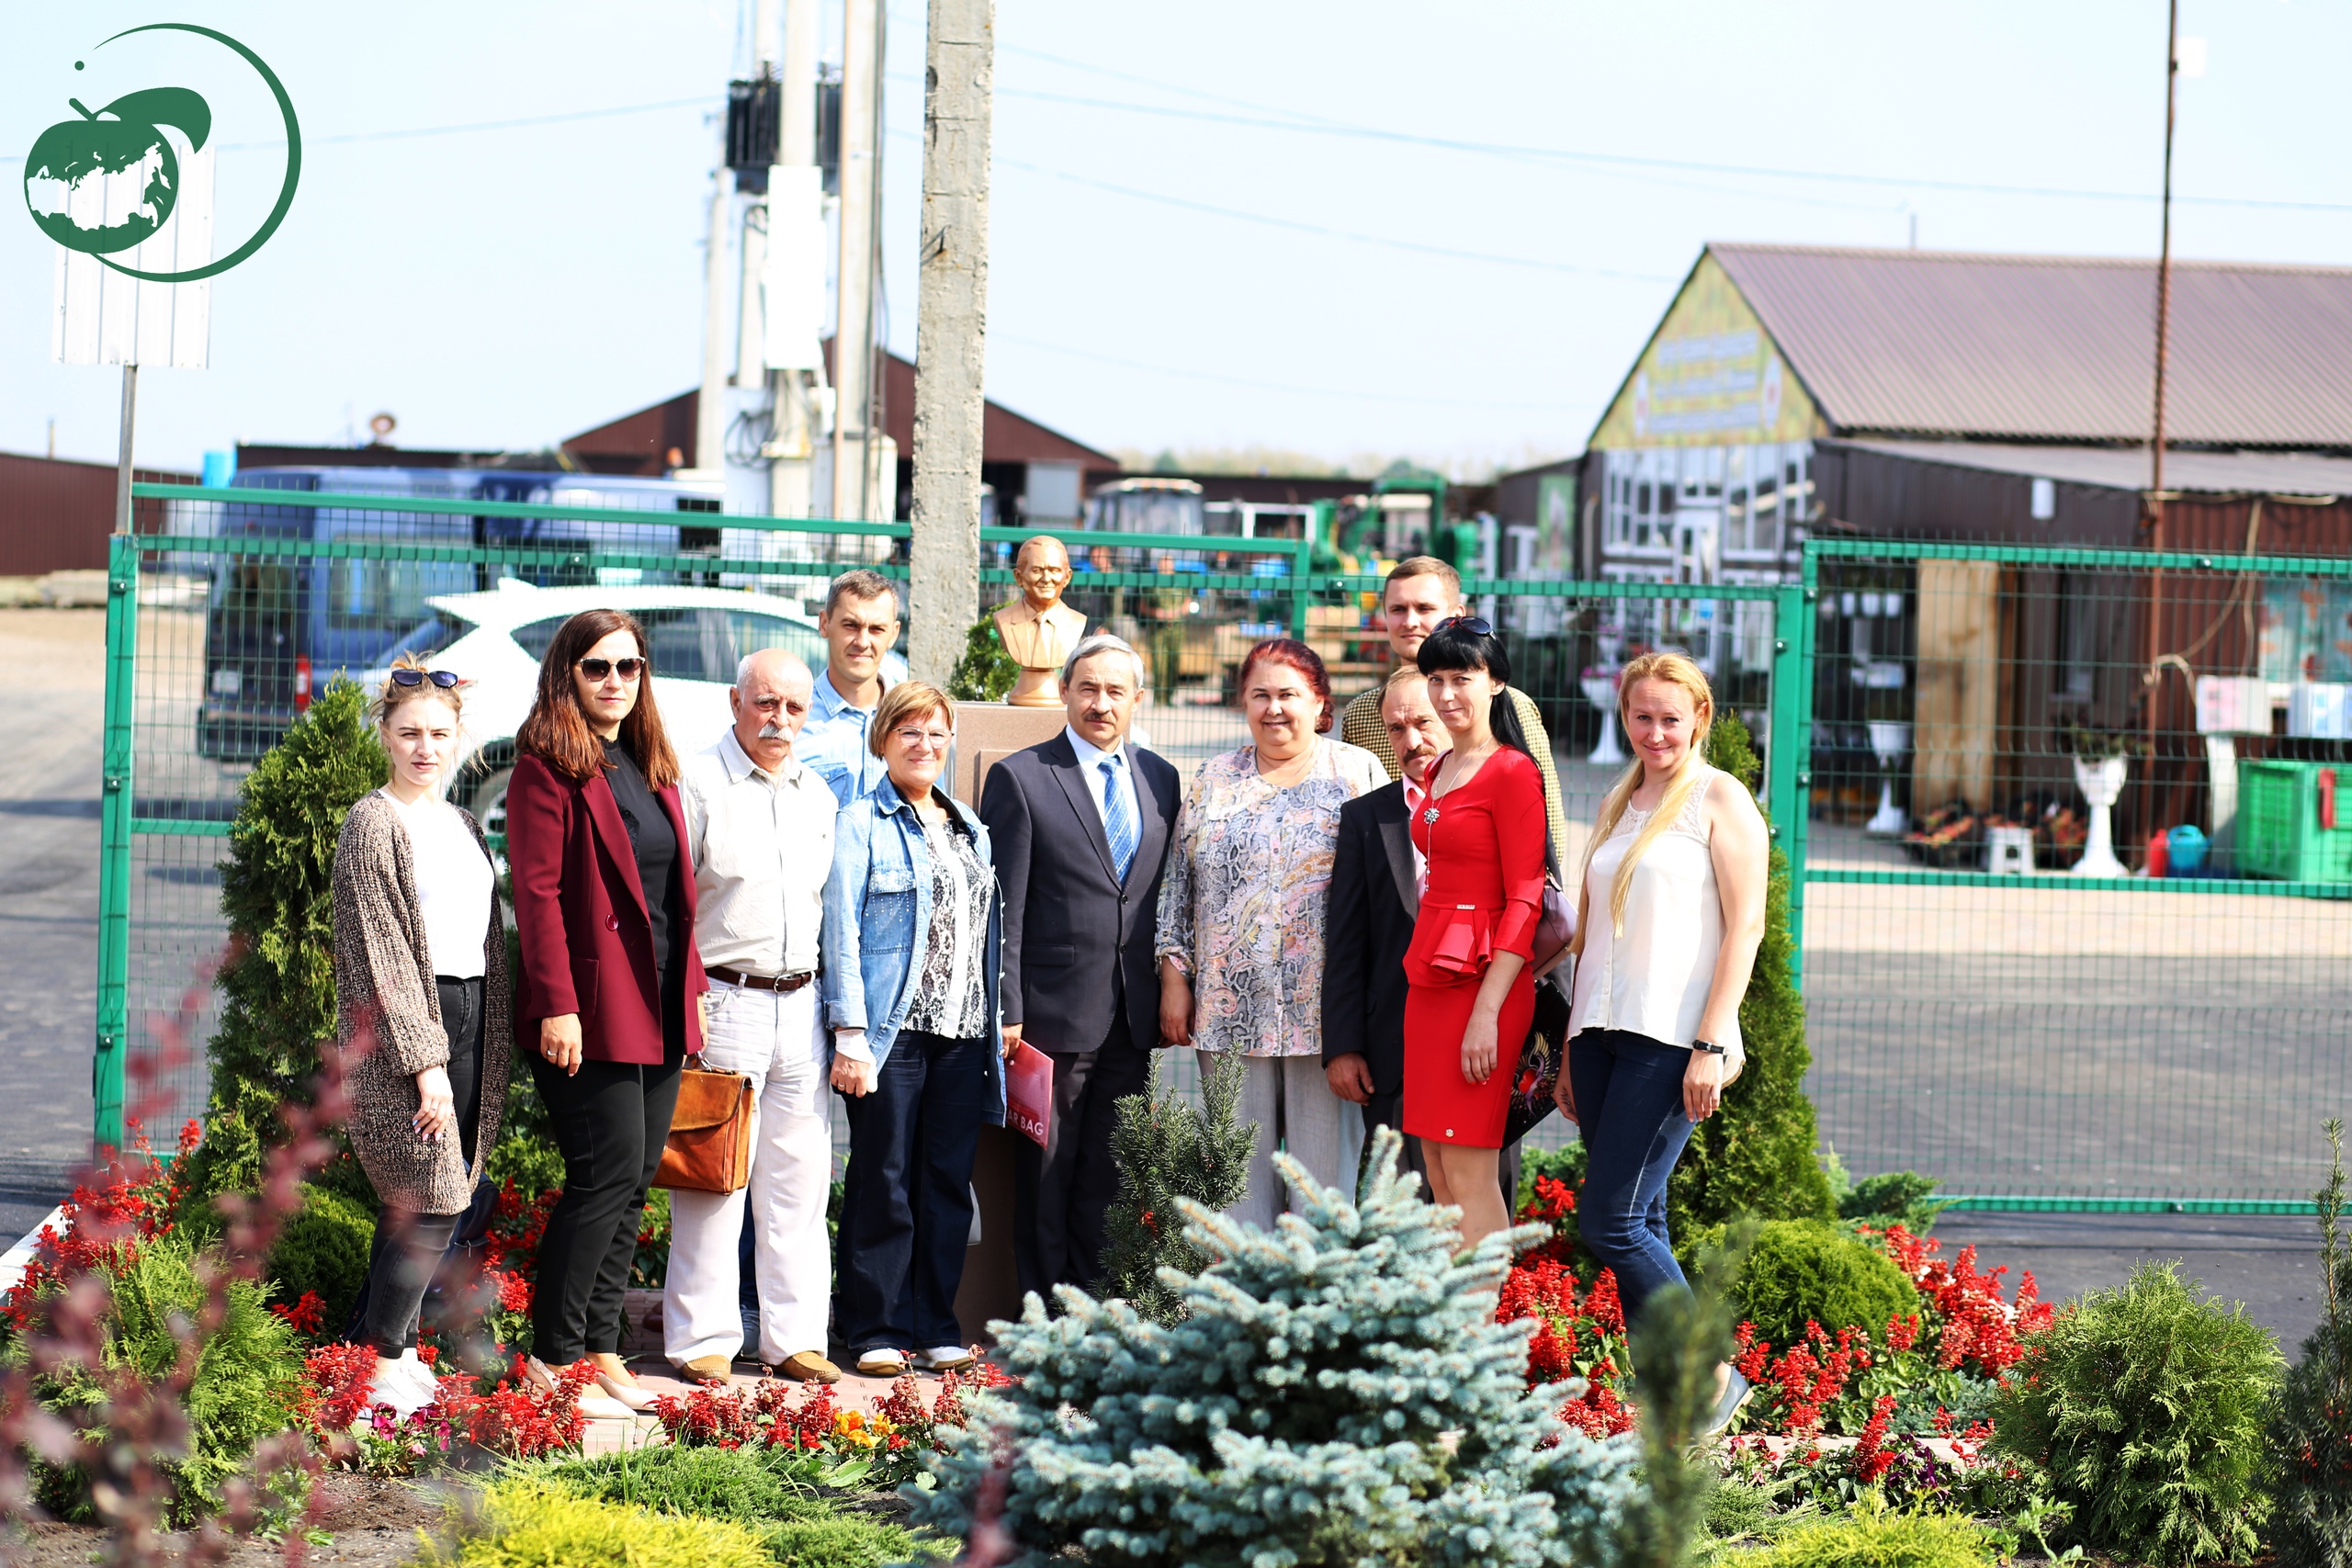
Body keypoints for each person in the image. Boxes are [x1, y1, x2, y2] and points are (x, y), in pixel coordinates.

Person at [1561, 649, 1769, 1428]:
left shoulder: (1720, 799)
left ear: (1699, 719)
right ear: (1625, 716)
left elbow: (1745, 926)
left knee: (1609, 1220)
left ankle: (1711, 1371)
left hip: (1670, 1037)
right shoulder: (1621, 800)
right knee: (1643, 1220)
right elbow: (1593, 934)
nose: (1656, 732)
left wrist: (1713, 1043)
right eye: (1642, 717)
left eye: (1671, 719)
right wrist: (1573, 1042)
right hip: (1601, 1034)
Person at [507, 609, 707, 1414]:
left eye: (629, 666)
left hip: (656, 999)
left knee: (633, 1184)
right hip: (587, 1008)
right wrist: (557, 1005)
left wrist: (690, 994)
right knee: (602, 1176)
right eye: (598, 667)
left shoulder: (647, 759)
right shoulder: (543, 766)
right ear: (567, 673)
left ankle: (600, 1346)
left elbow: (674, 895)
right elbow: (538, 894)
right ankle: (552, 1358)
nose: (616, 681)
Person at [330, 656, 514, 1419]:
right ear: (384, 734)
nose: (424, 747)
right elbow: (383, 952)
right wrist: (425, 1064)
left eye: (439, 732)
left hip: (467, 1013)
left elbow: (483, 933)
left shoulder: (461, 820)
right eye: (409, 732)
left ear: (460, 736)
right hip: (416, 1022)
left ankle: (388, 1350)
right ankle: (384, 1359)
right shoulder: (375, 822)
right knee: (430, 1195)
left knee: (434, 1194)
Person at [1157, 638, 1384, 1229]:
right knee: (1239, 1184)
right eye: (1261, 694)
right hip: (1230, 1011)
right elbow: (1178, 886)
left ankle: (1317, 1311)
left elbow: (1389, 890)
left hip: (1326, 1018)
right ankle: (1245, 1313)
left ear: (1319, 703)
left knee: (1322, 1186)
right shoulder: (1213, 778)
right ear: (1243, 703)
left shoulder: (1355, 772)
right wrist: (1174, 978)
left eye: (1289, 694)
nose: (1274, 708)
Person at [979, 634, 1180, 1300]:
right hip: (1050, 1016)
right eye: (1088, 687)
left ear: (1138, 700)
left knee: (1109, 1170)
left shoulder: (1161, 777)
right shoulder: (1022, 776)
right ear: (1065, 690)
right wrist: (1007, 1007)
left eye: (1116, 690)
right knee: (1045, 1173)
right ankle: (1043, 1313)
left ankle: (1094, 1305)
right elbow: (1002, 903)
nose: (1101, 702)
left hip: (1131, 1014)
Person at [664, 649, 842, 1387]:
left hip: (802, 1003)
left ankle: (794, 1339)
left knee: (799, 1182)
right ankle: (703, 1338)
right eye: (766, 703)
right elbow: (673, 905)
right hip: (725, 1001)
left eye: (795, 707)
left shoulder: (817, 795)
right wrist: (688, 1006)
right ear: (735, 700)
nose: (780, 720)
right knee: (714, 1175)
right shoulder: (697, 782)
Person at [821, 682, 1007, 1378]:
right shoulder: (861, 822)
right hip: (890, 1034)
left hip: (961, 1031)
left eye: (935, 732)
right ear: (883, 740)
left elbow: (988, 935)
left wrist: (1000, 1014)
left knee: (946, 1180)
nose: (924, 745)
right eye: (909, 732)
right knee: (884, 1176)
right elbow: (840, 930)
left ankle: (935, 1322)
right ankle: (873, 1325)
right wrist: (850, 1031)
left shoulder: (969, 827)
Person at [1400, 618, 1548, 1249]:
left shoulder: (1512, 770)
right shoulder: (1441, 766)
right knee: (1436, 1167)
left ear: (1495, 683)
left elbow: (1526, 897)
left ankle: (1495, 1338)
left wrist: (1488, 1011)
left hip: (1482, 990)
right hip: (1429, 981)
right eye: (1436, 679)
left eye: (1463, 678)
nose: (1447, 693)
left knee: (1469, 1170)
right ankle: (1457, 1331)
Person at [1338, 557, 1571, 865]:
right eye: (1397, 609)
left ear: (1456, 615)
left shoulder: (1502, 703)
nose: (1409, 621)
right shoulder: (1363, 713)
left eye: (1424, 609)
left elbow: (1546, 820)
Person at [1323, 666, 1442, 1191]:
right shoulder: (1367, 818)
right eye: (1396, 728)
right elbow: (1347, 940)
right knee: (1394, 1202)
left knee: (1480, 1202)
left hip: (1483, 1045)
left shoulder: (1505, 800)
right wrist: (1344, 1045)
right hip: (1391, 1050)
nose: (1411, 740)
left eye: (1423, 721)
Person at [799, 570, 901, 805]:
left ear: (893, 634)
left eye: (877, 629)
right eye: (851, 626)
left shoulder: (915, 721)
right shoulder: (794, 720)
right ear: (824, 624)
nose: (863, 642)